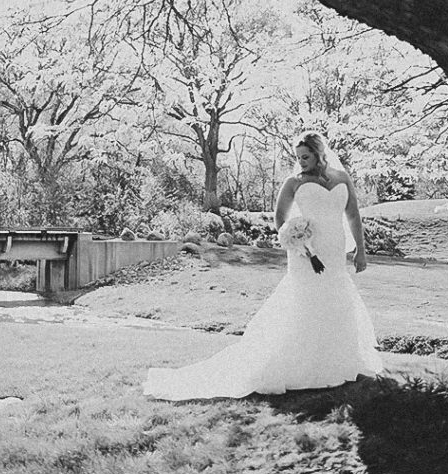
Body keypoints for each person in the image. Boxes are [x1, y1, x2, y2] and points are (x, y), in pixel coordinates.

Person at [143, 131, 383, 400]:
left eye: (306, 157)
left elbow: (353, 216)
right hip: (306, 254)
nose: (301, 162)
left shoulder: (342, 178)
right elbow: (281, 221)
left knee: (335, 301)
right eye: (298, 158)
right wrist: (298, 243)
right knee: (306, 302)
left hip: (335, 251)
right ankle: (302, 365)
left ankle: (337, 363)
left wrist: (361, 251)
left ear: (319, 154)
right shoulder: (293, 183)